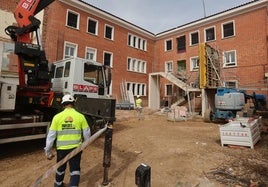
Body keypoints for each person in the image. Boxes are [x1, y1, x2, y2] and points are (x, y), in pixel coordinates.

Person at [44, 94, 91, 187]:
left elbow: (51, 136)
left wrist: (48, 151)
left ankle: (58, 185)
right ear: (73, 103)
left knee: (60, 169)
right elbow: (87, 133)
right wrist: (86, 144)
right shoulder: (80, 116)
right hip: (76, 149)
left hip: (61, 150)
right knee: (75, 171)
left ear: (63, 104)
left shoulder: (57, 117)